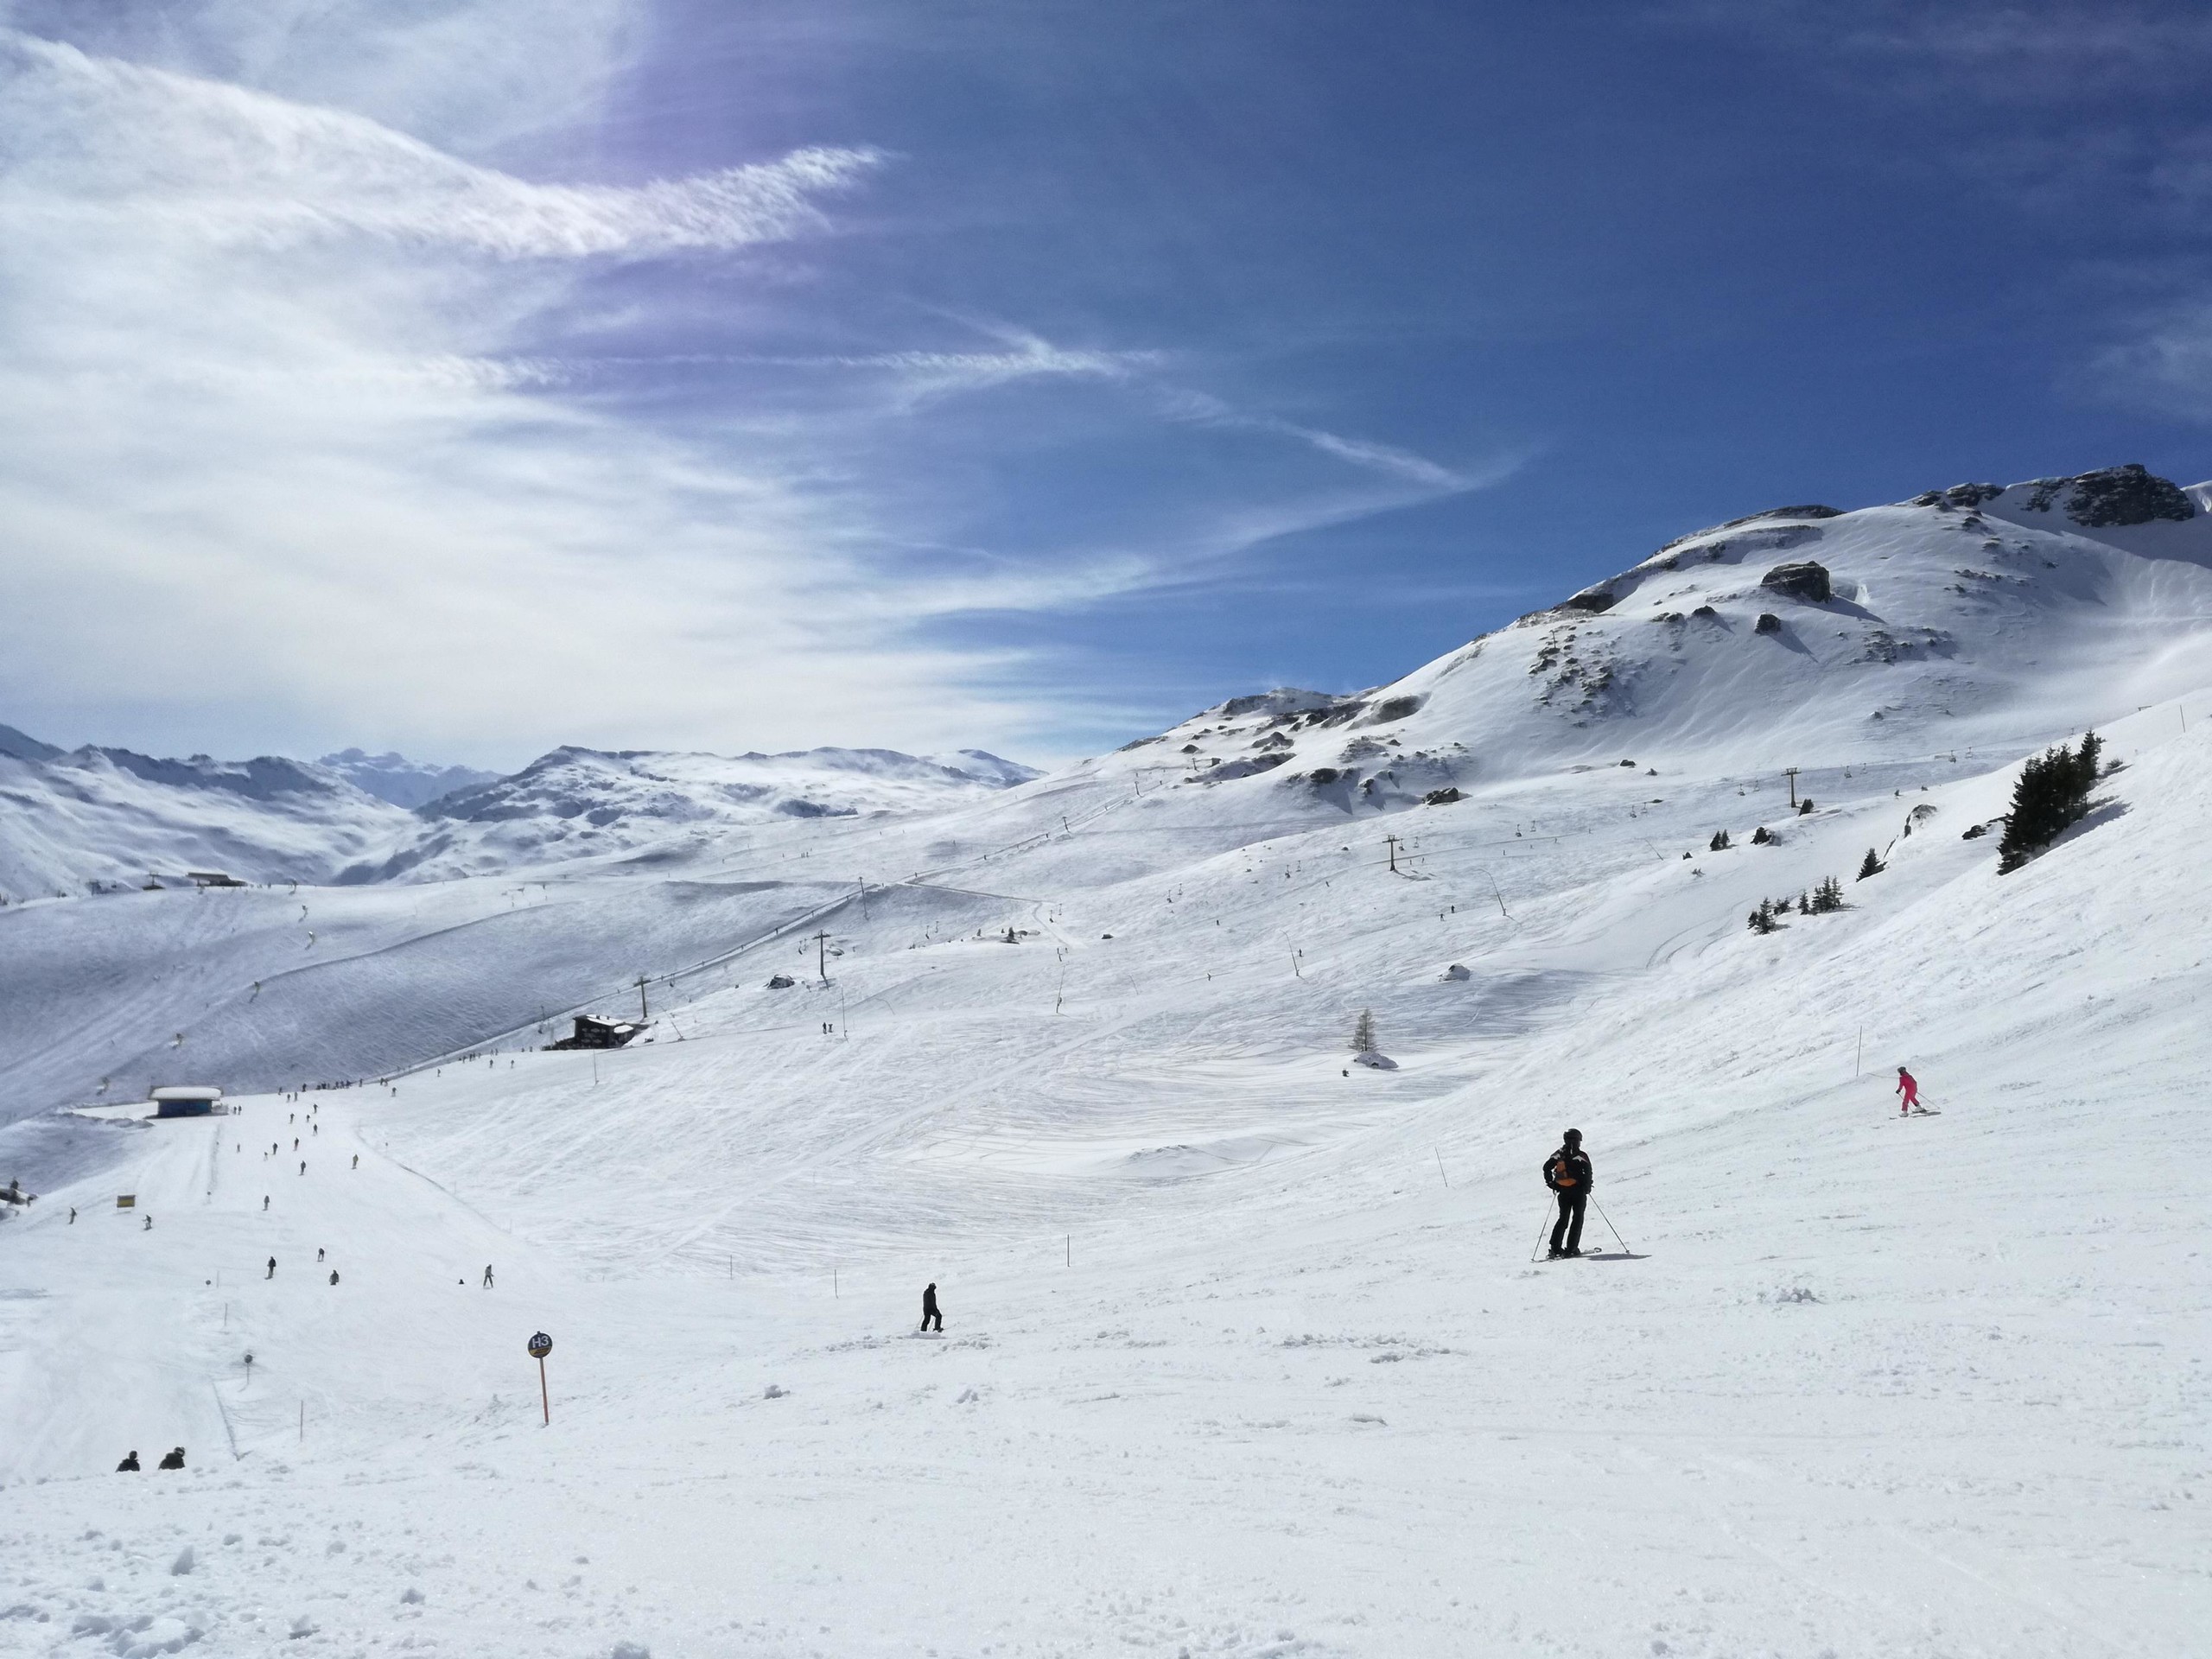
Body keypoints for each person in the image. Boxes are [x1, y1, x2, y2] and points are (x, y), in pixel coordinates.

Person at [1543, 1128, 1592, 1259]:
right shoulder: (1581, 1155)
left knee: (1563, 1219)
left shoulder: (1559, 1154)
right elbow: (1588, 1172)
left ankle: (1555, 1248)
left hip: (1563, 1192)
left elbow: (1546, 1167)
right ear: (1578, 1140)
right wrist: (1587, 1187)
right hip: (1578, 1192)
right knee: (1577, 1218)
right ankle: (1571, 1248)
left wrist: (1551, 1183)